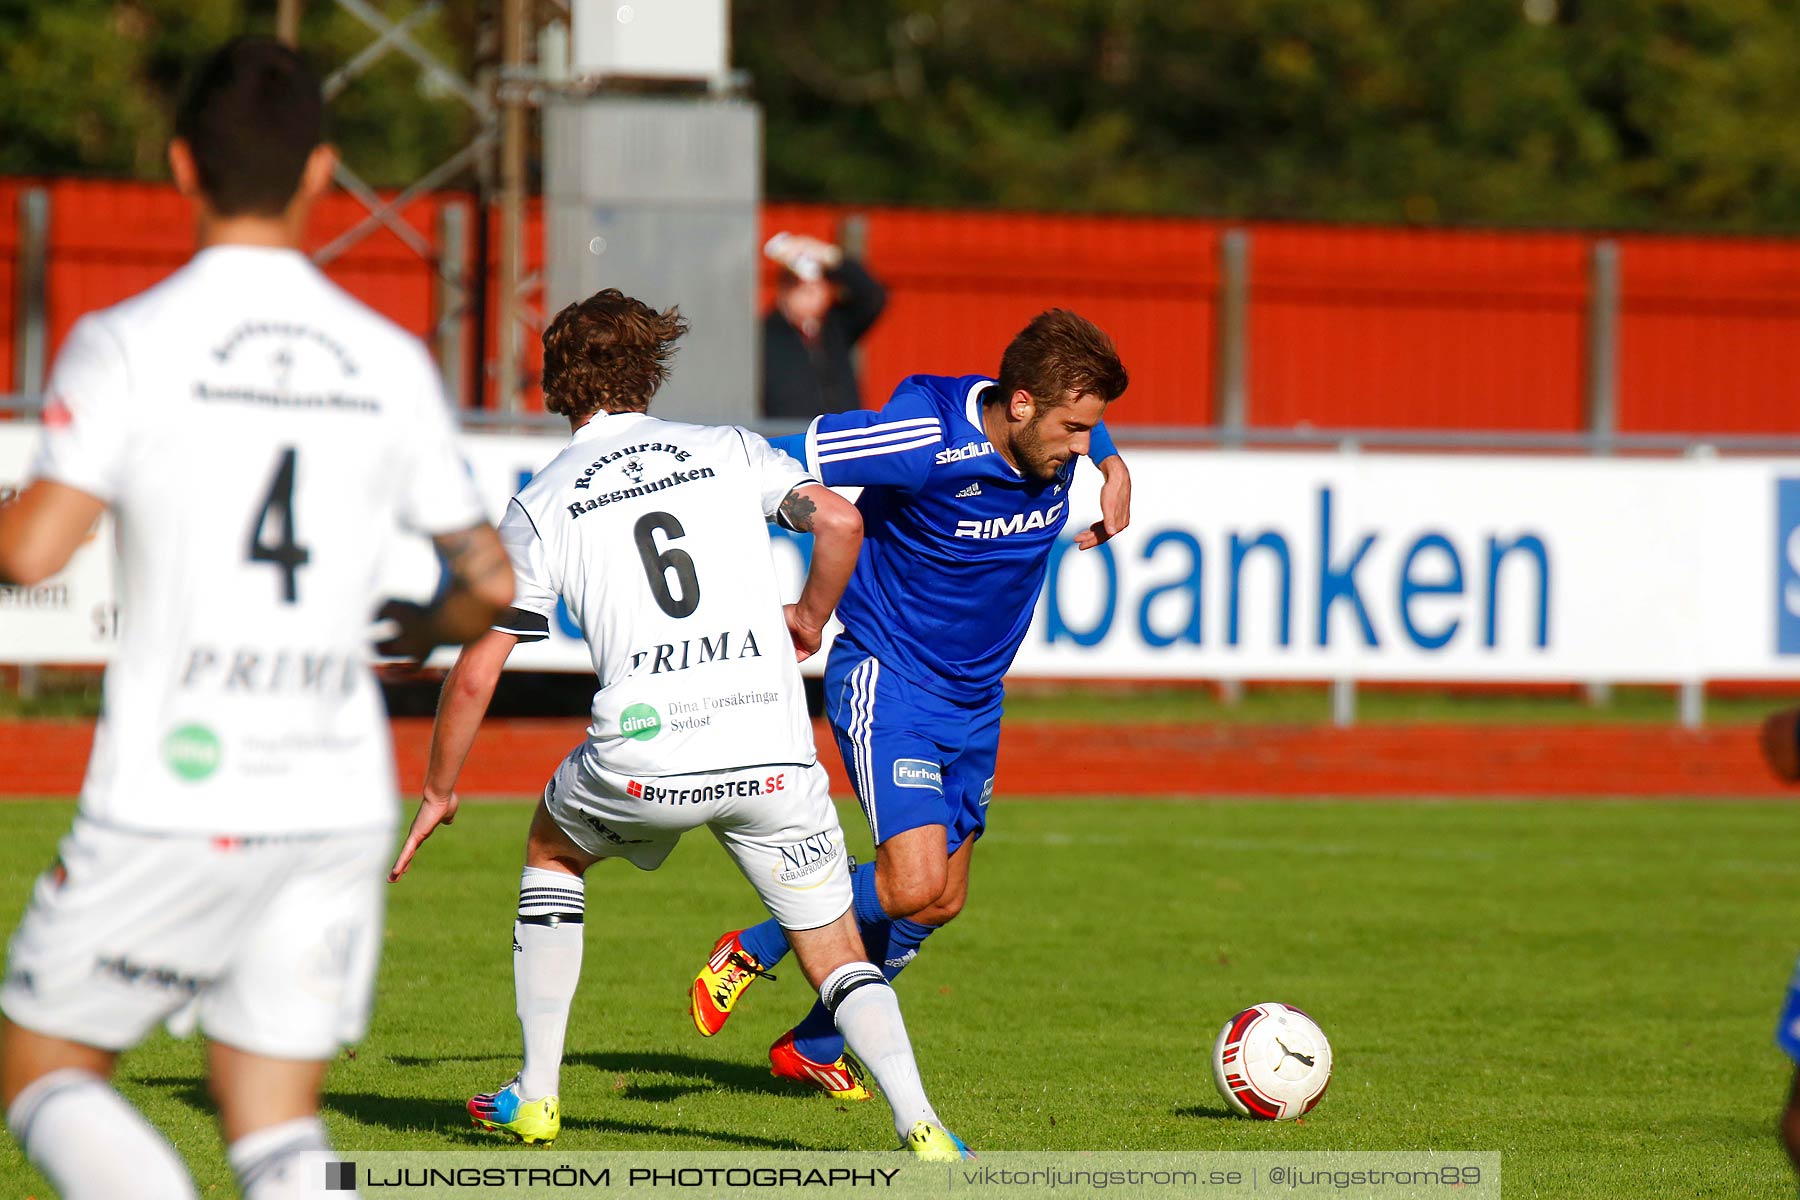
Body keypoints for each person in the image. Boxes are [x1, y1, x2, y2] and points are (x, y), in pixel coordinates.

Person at [0, 37, 512, 1200]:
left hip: (175, 789)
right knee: (275, 1121)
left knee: (41, 1064)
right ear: (322, 170)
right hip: (333, 795)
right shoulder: (388, 361)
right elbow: (488, 583)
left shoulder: (129, 340)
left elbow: (31, 548)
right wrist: (427, 619)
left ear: (181, 167)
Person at [386, 288, 970, 1160]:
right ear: (649, 370)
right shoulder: (728, 450)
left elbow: (476, 669)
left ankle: (536, 1096)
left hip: (644, 757)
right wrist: (810, 617)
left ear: (555, 384)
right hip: (770, 753)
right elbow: (842, 520)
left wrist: (438, 789)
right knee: (833, 946)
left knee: (553, 852)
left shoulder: (542, 500)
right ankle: (922, 1125)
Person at [690, 308, 1131, 1099]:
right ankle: (753, 945)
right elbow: (773, 460)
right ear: (1021, 404)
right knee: (910, 880)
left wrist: (1115, 461)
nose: (1079, 448)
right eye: (1074, 431)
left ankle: (814, 1044)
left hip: (976, 699)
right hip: (889, 678)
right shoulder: (922, 436)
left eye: (1089, 433)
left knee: (942, 899)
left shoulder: (1051, 435)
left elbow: (1084, 433)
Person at [761, 232, 887, 420]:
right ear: (784, 289)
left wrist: (826, 255)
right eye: (801, 287)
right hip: (791, 441)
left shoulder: (835, 327)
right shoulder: (765, 334)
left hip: (843, 439)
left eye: (818, 286)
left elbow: (872, 294)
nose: (812, 293)